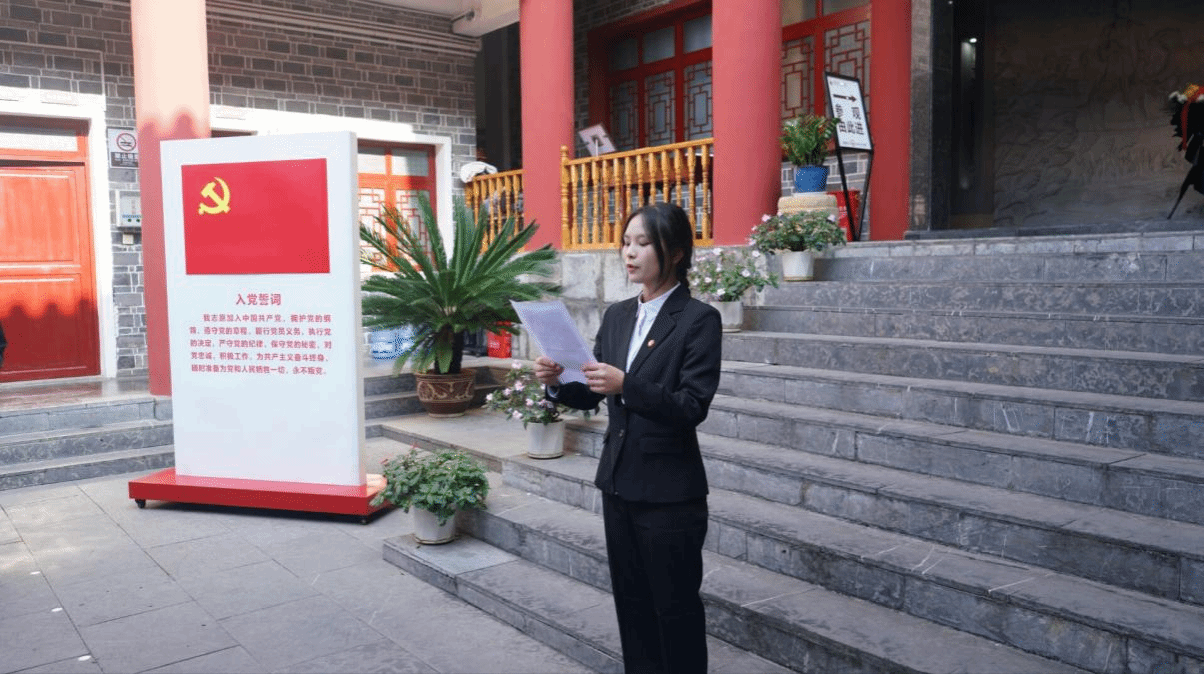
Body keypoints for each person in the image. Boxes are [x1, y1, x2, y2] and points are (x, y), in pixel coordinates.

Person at [534, 202, 722, 674]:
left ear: (675, 252)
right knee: (632, 605)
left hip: (669, 494)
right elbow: (591, 392)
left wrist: (627, 386)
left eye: (643, 243)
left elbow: (691, 406)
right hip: (618, 483)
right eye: (626, 242)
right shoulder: (618, 315)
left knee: (674, 610)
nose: (629, 253)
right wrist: (557, 382)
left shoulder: (698, 319)